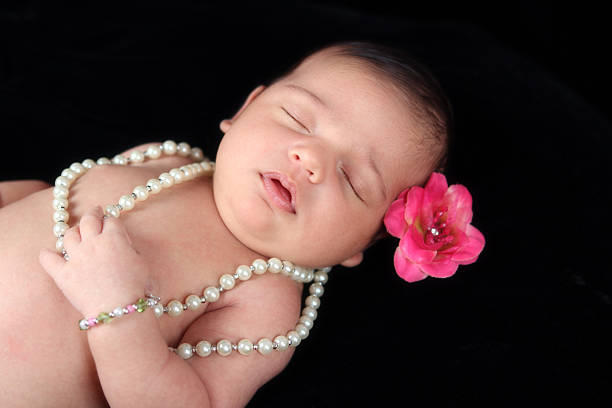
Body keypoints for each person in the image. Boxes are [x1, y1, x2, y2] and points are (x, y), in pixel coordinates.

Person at [0, 41, 453, 407]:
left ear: (361, 245)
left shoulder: (265, 305)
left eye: (352, 180)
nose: (310, 159)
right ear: (244, 110)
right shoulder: (165, 158)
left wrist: (118, 310)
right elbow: (47, 196)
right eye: (297, 118)